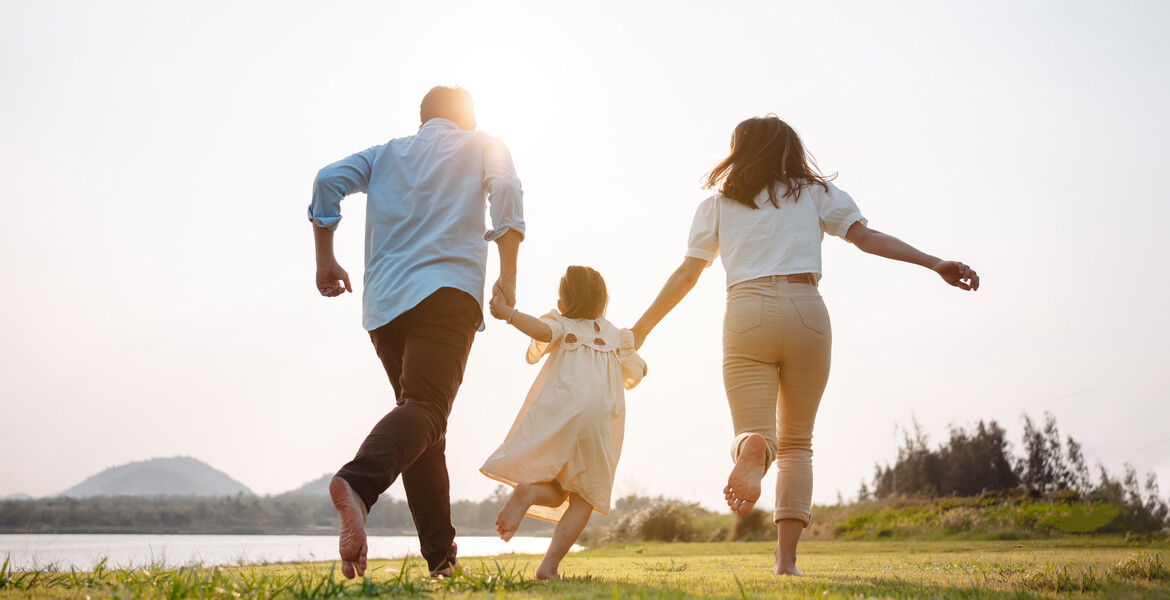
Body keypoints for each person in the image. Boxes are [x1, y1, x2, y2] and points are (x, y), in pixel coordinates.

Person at [630, 115, 978, 576]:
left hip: (746, 311)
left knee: (757, 431)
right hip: (805, 310)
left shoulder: (717, 205)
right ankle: (786, 562)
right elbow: (866, 238)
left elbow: (688, 274)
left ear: (739, 152)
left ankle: (753, 447)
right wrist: (934, 262)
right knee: (798, 444)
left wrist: (641, 329)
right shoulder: (817, 194)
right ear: (791, 150)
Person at [307, 86, 524, 579]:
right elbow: (507, 190)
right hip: (446, 292)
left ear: (422, 119)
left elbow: (326, 180)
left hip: (384, 306)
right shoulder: (484, 142)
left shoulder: (385, 154)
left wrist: (326, 260)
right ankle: (358, 486)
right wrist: (508, 273)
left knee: (425, 429)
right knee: (426, 412)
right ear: (467, 117)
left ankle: (442, 563)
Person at [480, 266, 647, 580]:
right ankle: (549, 567)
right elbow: (641, 370)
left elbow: (541, 332)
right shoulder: (615, 336)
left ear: (563, 304)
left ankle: (528, 492)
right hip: (597, 423)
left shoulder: (561, 324)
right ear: (602, 304)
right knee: (584, 498)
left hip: (562, 413)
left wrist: (508, 313)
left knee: (557, 489)